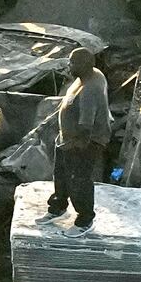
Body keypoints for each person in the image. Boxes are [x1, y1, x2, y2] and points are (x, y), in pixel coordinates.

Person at [43, 44, 110, 228]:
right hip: (68, 139)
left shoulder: (90, 89)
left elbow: (86, 125)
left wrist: (75, 145)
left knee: (78, 179)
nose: (69, 65)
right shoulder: (89, 74)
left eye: (72, 62)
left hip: (84, 142)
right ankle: (58, 206)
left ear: (83, 65)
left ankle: (84, 220)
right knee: (61, 174)